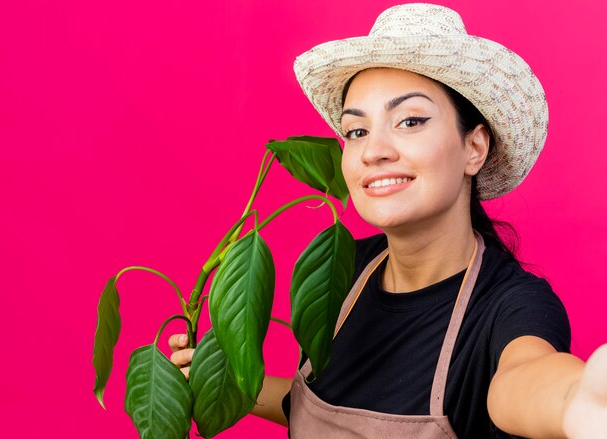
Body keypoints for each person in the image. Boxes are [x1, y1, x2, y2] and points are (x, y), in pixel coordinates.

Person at [169, 3, 607, 438]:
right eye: (357, 131)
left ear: (473, 148)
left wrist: (576, 401)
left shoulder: (511, 305)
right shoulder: (343, 270)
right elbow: (318, 408)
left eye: (410, 121)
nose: (373, 150)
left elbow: (523, 380)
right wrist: (213, 381)